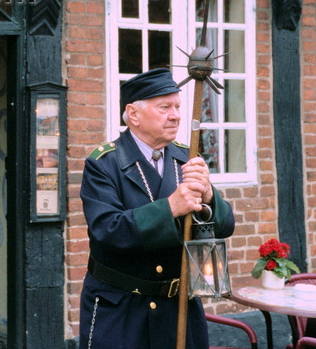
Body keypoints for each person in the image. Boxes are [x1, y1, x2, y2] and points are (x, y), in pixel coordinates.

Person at [79, 68, 235, 349]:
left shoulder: (187, 157)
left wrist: (210, 196)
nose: (176, 115)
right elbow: (108, 230)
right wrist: (171, 207)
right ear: (134, 114)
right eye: (164, 107)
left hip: (178, 308)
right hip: (122, 309)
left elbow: (223, 228)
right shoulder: (103, 163)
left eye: (177, 106)